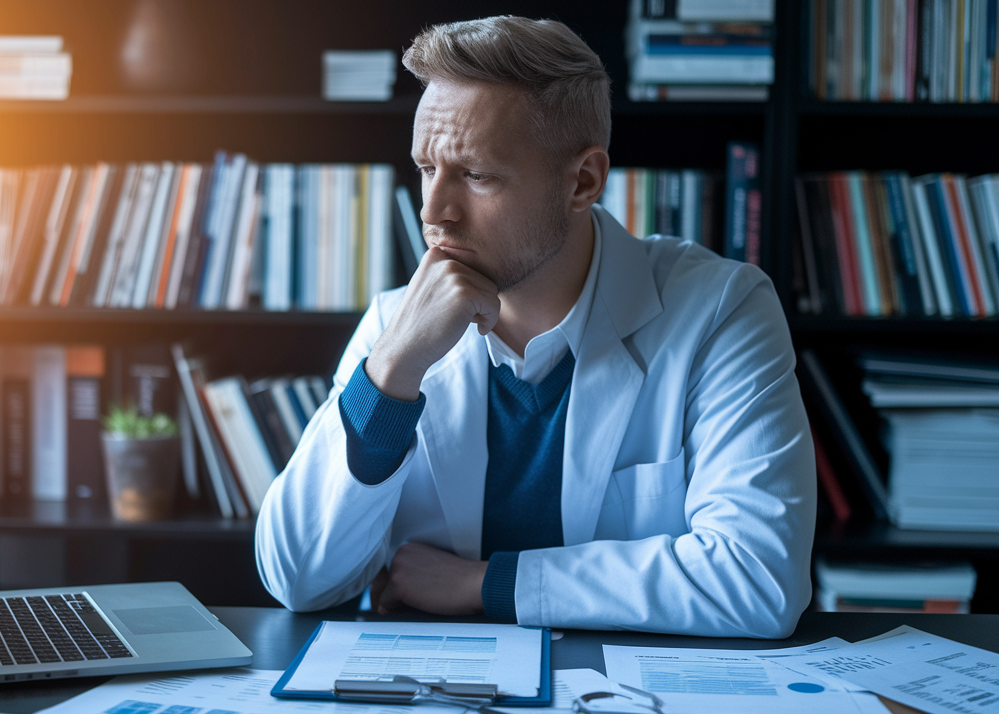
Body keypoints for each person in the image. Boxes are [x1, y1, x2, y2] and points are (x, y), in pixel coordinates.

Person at [254, 16, 815, 638]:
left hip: (630, 710)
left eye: (477, 175)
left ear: (583, 182)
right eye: (425, 169)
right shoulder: (396, 327)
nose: (433, 213)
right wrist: (390, 373)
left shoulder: (720, 311)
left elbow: (758, 579)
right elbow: (300, 579)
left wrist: (484, 584)